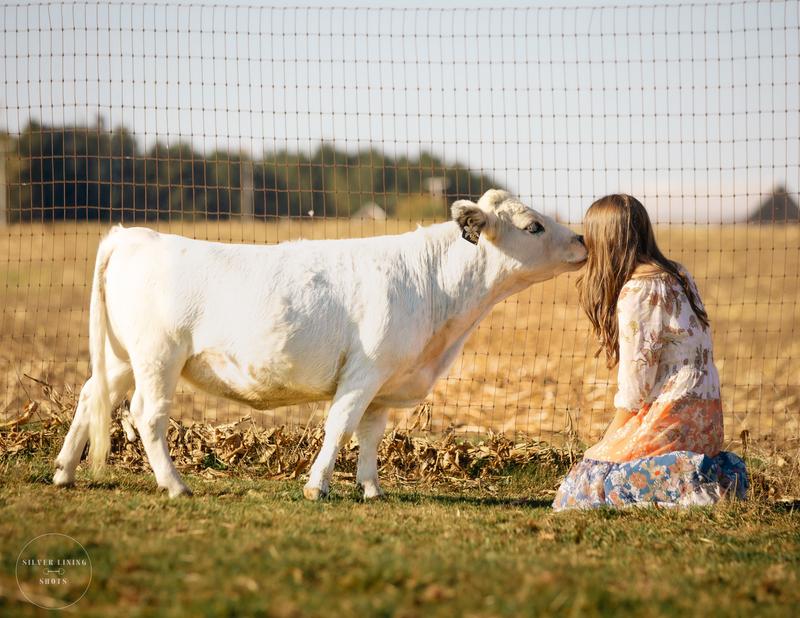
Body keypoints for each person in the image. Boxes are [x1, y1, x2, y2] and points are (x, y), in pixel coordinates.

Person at [553, 194, 748, 510]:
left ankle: (688, 484)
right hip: (706, 424)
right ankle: (705, 475)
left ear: (604, 242)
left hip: (671, 419)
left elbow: (635, 390)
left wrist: (604, 444)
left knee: (582, 485)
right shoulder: (679, 274)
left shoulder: (637, 291)